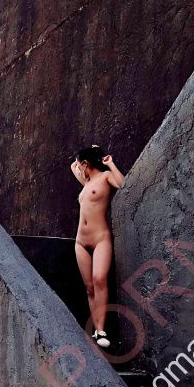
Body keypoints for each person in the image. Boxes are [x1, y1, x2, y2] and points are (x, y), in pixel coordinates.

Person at [70, 146, 125, 348]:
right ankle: (96, 330)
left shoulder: (105, 177)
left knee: (99, 279)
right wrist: (89, 151)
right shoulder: (86, 183)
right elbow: (72, 166)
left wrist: (109, 162)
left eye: (80, 165)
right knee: (89, 287)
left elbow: (122, 184)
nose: (77, 168)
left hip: (101, 238)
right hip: (80, 241)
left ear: (86, 164)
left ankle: (102, 330)